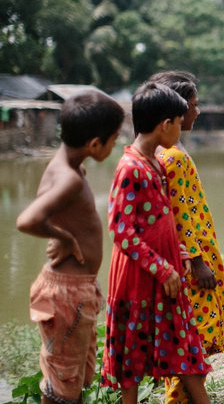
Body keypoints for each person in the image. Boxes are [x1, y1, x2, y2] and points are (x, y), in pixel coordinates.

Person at [100, 82, 212, 404]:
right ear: (165, 125)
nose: (180, 129)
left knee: (186, 347)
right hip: (140, 278)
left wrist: (179, 256)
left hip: (168, 274)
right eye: (178, 122)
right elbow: (121, 231)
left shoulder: (156, 164)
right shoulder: (129, 168)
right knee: (131, 363)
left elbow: (163, 222)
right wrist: (162, 269)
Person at [17, 92, 124, 404]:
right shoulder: (69, 179)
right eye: (114, 139)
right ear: (94, 144)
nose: (115, 144)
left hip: (75, 289)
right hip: (67, 293)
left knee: (73, 375)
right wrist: (63, 238)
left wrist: (63, 231)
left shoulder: (67, 166)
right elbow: (27, 219)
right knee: (63, 381)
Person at [149, 71, 224, 403]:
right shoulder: (174, 157)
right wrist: (198, 262)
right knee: (190, 340)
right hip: (190, 264)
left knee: (183, 340)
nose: (197, 112)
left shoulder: (163, 152)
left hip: (181, 260)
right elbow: (180, 216)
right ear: (176, 112)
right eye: (194, 106)